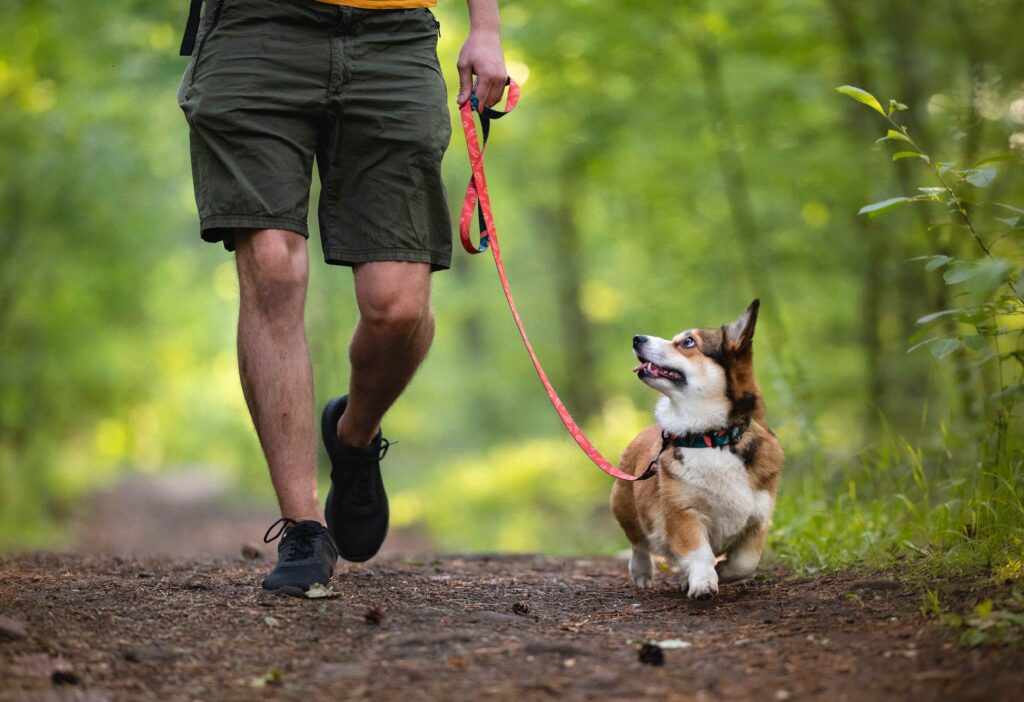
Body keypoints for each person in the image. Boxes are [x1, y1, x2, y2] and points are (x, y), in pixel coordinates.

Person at [177, 0, 507, 596]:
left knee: (398, 306)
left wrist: (485, 28)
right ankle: (304, 528)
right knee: (272, 267)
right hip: (255, 29)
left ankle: (353, 435)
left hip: (394, 37)